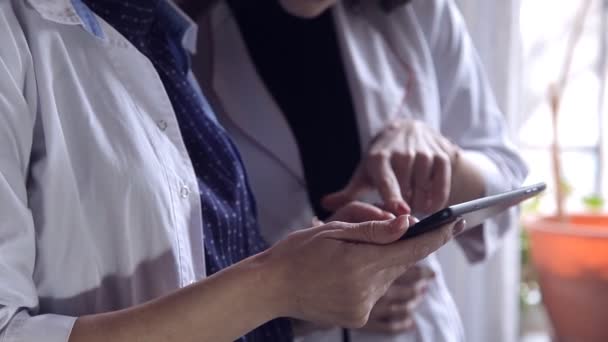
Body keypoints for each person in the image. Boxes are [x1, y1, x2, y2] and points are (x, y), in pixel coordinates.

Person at [0, 0, 465, 341]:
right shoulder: (15, 34)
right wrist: (279, 283)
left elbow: (201, 285)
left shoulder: (157, 32)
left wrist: (313, 283)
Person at [192, 0, 528, 340]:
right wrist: (307, 299)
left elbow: (508, 184)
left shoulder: (422, 11)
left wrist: (443, 157)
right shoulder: (186, 37)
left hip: (415, 328)